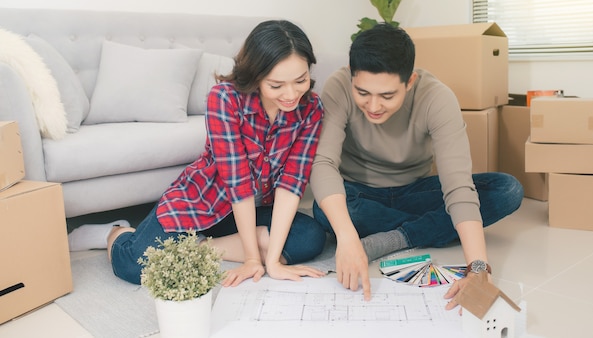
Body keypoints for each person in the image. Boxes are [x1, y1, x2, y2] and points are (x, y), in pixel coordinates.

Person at [68, 20, 327, 287]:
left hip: (255, 210)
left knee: (309, 238)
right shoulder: (224, 98)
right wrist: (252, 258)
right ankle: (115, 232)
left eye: (301, 80)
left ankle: (198, 248)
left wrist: (271, 263)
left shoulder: (311, 108)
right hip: (201, 202)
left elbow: (292, 183)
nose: (291, 94)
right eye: (276, 85)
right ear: (256, 76)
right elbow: (237, 185)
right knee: (136, 267)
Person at [309, 23, 523, 305]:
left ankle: (390, 239)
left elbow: (458, 184)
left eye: (387, 96)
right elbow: (323, 163)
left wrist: (478, 269)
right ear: (352, 76)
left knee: (507, 190)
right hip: (360, 194)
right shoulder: (338, 86)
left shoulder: (437, 97)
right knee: (325, 209)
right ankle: (424, 230)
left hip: (415, 193)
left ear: (409, 82)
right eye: (363, 93)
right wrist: (347, 239)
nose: (373, 106)